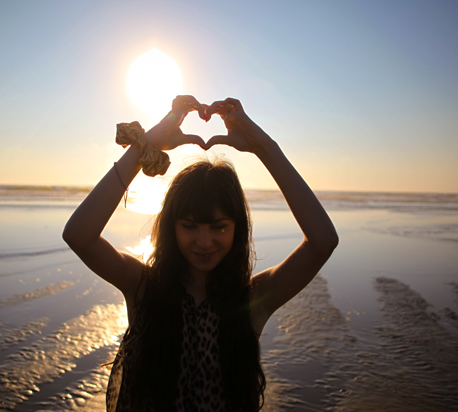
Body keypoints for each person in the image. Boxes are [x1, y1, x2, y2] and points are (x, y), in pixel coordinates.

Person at [63, 96, 339, 411]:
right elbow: (79, 235)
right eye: (190, 226)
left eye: (219, 227)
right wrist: (143, 148)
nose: (205, 242)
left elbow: (322, 242)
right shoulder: (144, 288)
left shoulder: (249, 300)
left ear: (238, 229)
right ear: (171, 226)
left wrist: (264, 147)